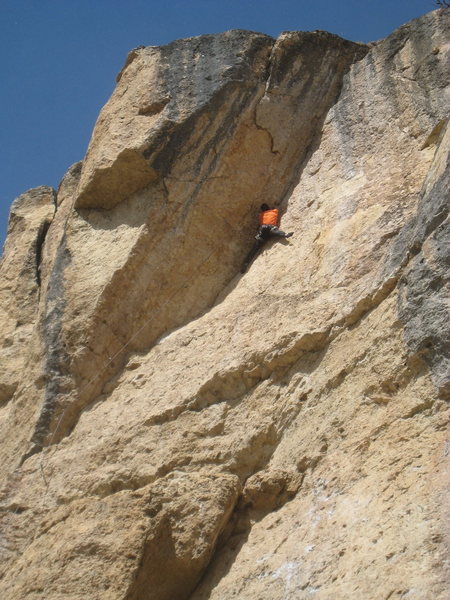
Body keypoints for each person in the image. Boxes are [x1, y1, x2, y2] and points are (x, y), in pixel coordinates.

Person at [241, 203, 293, 273]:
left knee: (254, 249)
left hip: (263, 233)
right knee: (274, 231)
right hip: (271, 229)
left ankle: (246, 263)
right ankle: (284, 234)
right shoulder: (274, 211)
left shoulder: (261, 215)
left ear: (262, 210)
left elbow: (259, 225)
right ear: (268, 207)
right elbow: (277, 207)